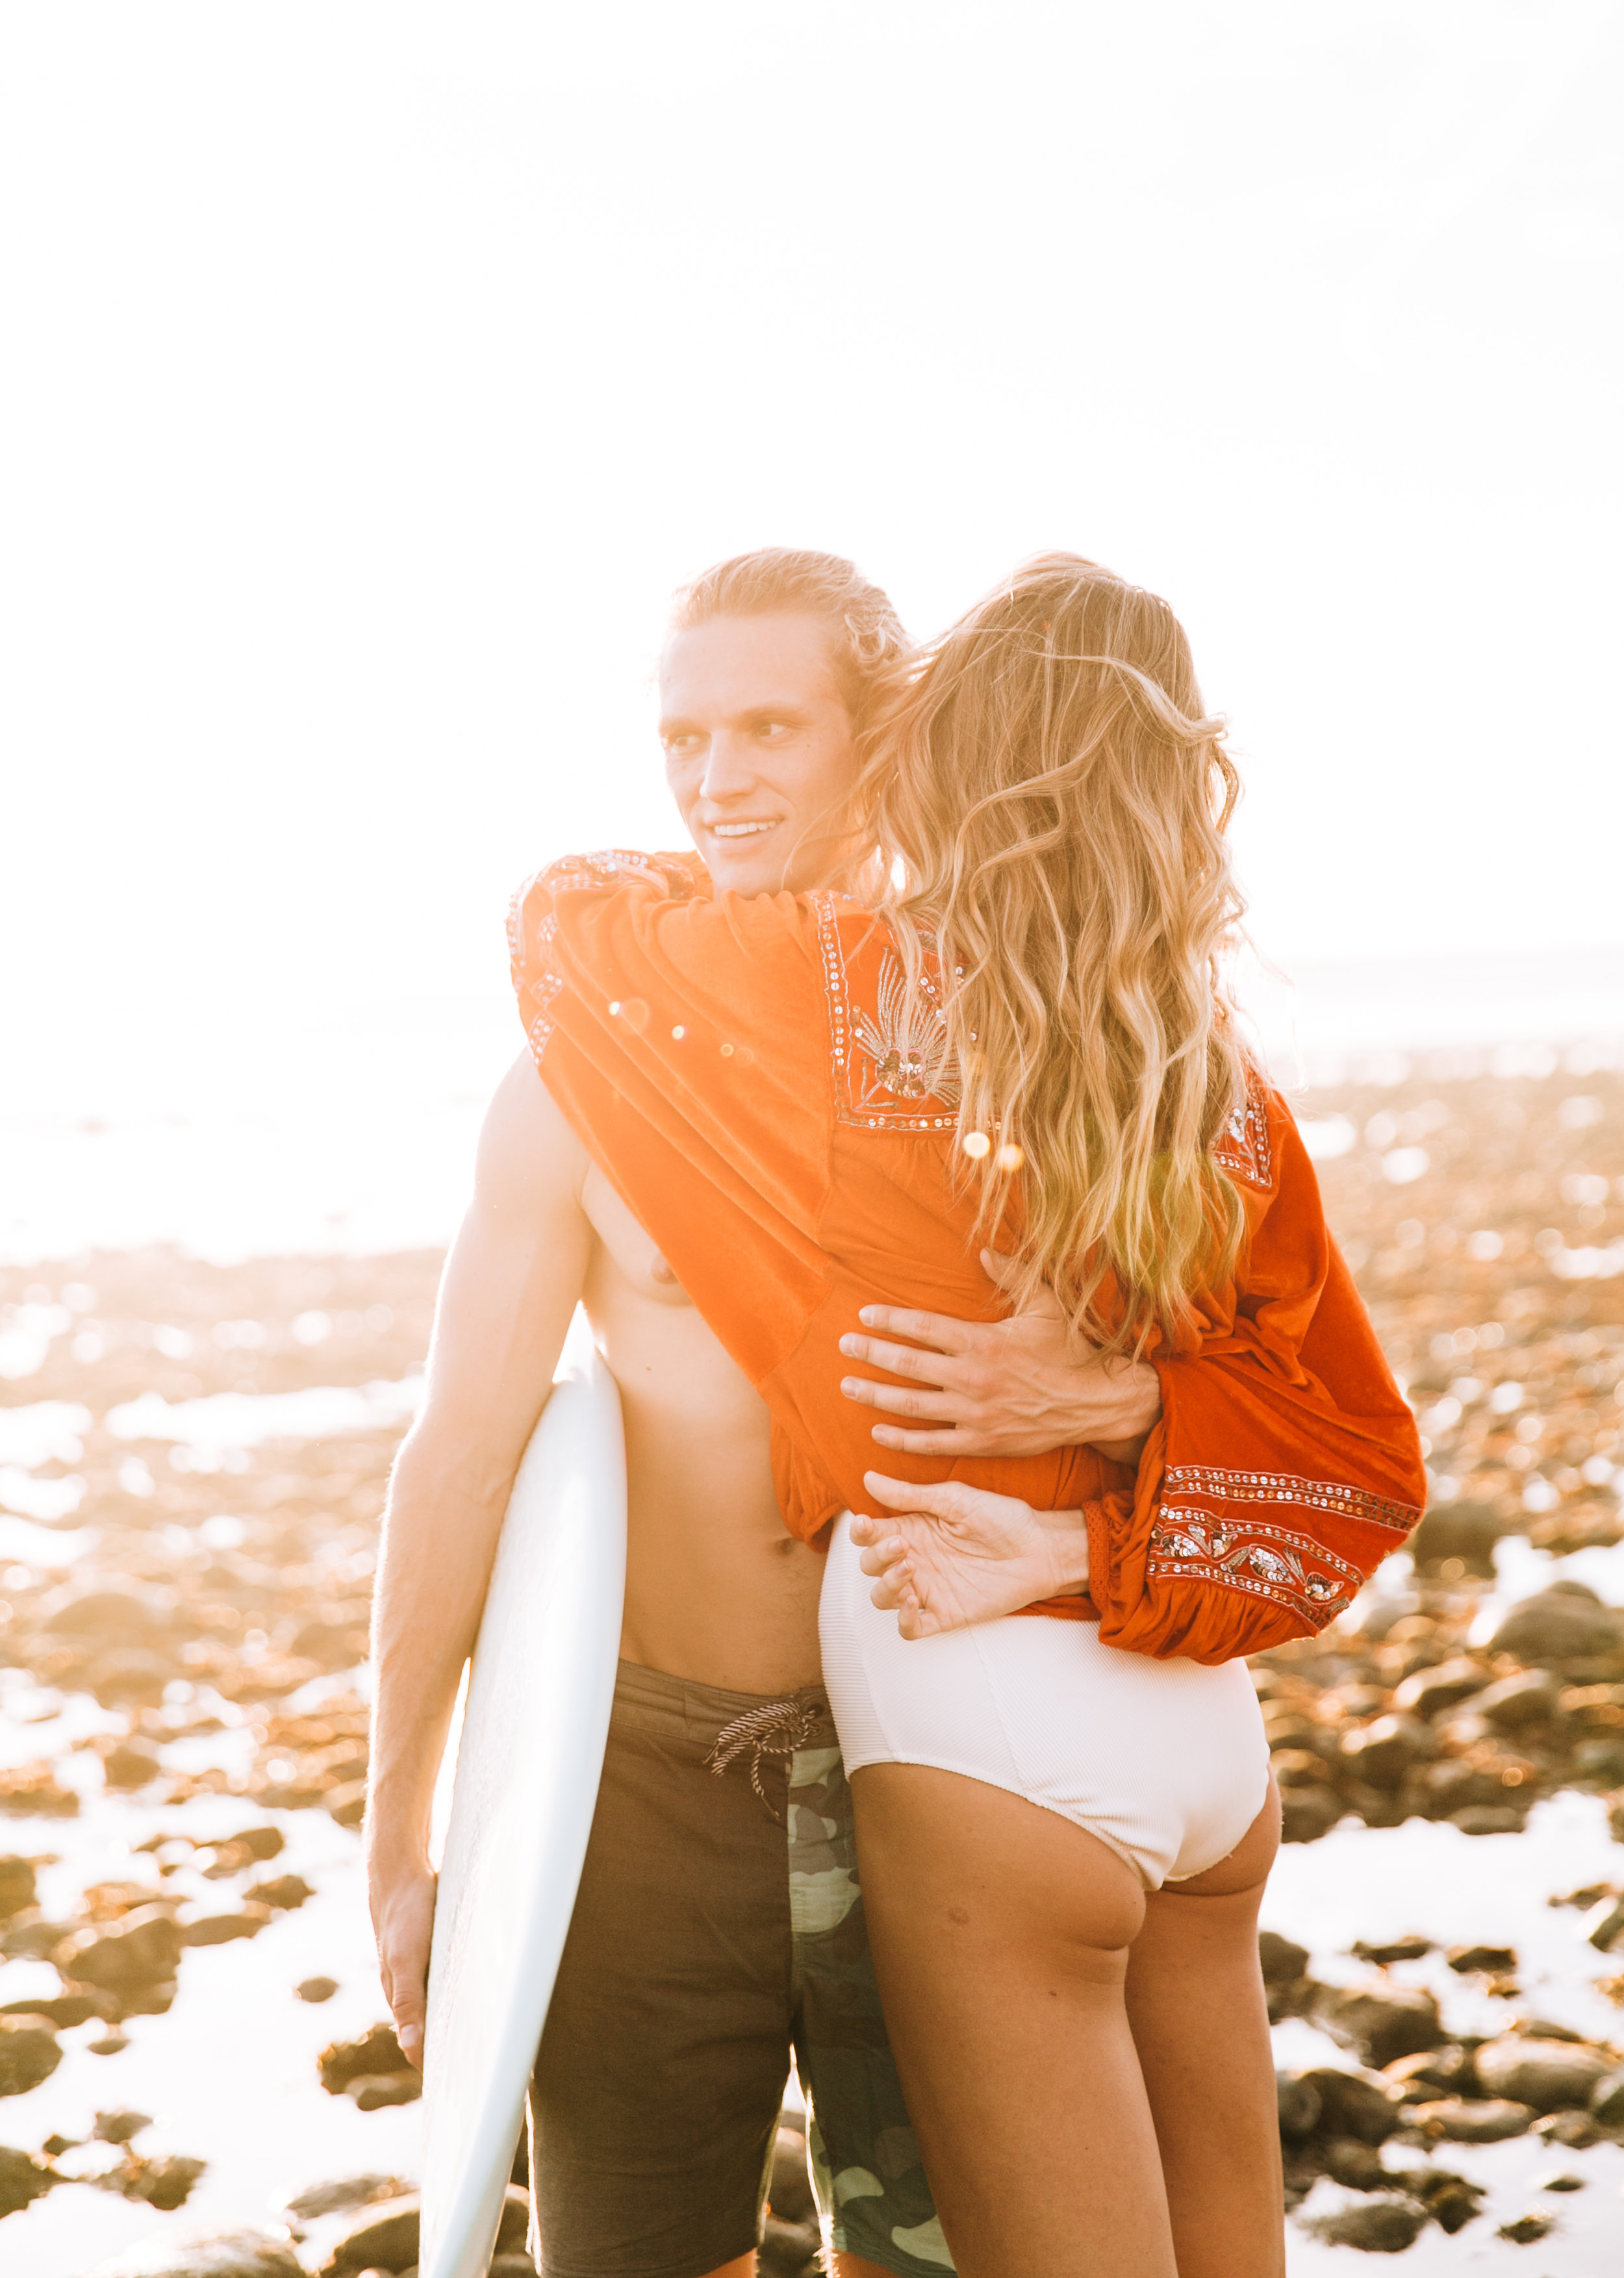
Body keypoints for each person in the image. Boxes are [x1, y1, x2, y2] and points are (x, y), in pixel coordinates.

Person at [511, 553, 1426, 2277]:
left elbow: (565, 934)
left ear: (924, 756)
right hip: (1206, 1756)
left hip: (989, 1750)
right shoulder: (1212, 1087)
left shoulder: (825, 1005)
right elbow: (1363, 1471)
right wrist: (1117, 1456)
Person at [368, 550, 1175, 2278]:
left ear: (880, 738)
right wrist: (402, 1828)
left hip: (943, 1765)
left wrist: (1118, 1395)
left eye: (764, 728)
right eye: (681, 736)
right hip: (641, 1780)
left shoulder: (1028, 1053)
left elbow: (1247, 1388)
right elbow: (460, 1454)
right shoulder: (589, 1074)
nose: (715, 778)